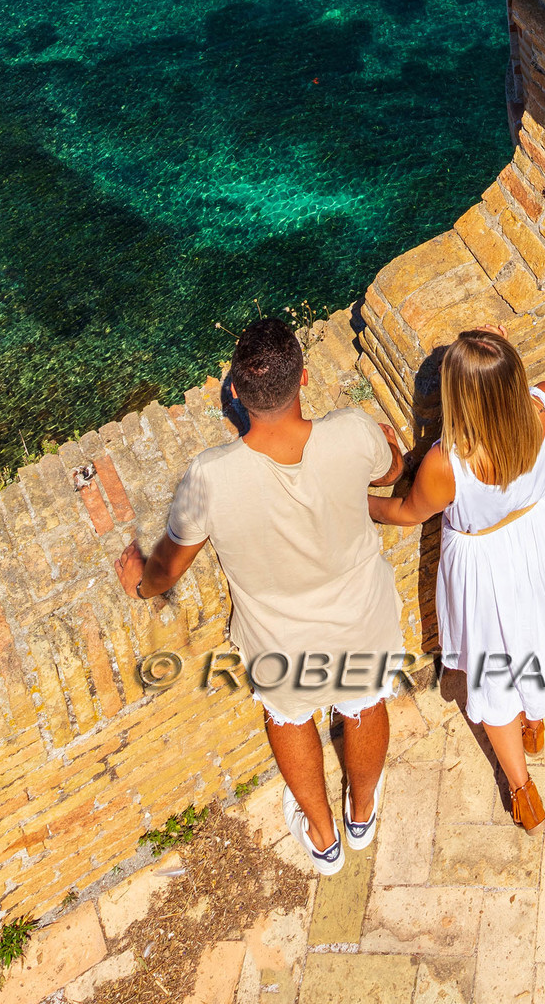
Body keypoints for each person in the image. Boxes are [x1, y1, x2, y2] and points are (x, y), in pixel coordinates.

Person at [117, 318, 406, 876]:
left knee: (291, 718)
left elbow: (166, 572)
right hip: (362, 619)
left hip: (281, 641)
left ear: (236, 391)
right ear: (304, 378)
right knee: (366, 702)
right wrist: (385, 446)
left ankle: (323, 839)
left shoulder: (209, 477)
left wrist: (138, 583)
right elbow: (390, 471)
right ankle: (362, 813)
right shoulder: (352, 431)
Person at [370, 326, 545, 833]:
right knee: (537, 636)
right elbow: (521, 416)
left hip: (487, 569)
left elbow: (407, 512)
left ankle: (522, 791)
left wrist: (360, 502)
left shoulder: (448, 464)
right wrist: (495, 355)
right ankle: (535, 721)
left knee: (494, 679)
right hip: (541, 542)